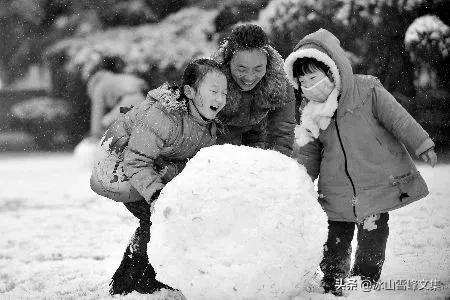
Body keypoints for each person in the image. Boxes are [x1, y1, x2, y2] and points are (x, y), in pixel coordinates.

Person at [283, 28, 437, 296]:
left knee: (372, 237)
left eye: (314, 77)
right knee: (334, 240)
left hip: (374, 184)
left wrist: (422, 143)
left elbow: (397, 118)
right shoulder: (311, 112)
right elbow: (310, 152)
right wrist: (301, 180)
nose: (309, 86)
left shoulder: (368, 90)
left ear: (332, 70)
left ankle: (365, 282)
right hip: (335, 190)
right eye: (303, 81)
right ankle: (334, 280)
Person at [90, 58, 228, 295]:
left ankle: (146, 280)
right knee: (159, 220)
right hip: (117, 168)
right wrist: (157, 196)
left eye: (224, 92)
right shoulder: (164, 115)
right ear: (189, 92)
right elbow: (136, 160)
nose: (220, 98)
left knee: (172, 219)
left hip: (150, 167)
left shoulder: (207, 124)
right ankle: (134, 283)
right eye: (213, 91)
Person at [211, 23, 296, 156]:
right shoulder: (210, 80)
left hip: (257, 142)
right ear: (228, 62)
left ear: (267, 63)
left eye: (258, 69)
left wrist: (276, 166)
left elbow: (282, 132)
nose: (249, 78)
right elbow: (197, 131)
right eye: (241, 69)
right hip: (217, 145)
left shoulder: (280, 82)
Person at [87, 56, 149, 139]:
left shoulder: (99, 86)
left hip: (130, 100)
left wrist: (95, 133)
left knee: (107, 122)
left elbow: (97, 111)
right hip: (143, 98)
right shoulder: (113, 78)